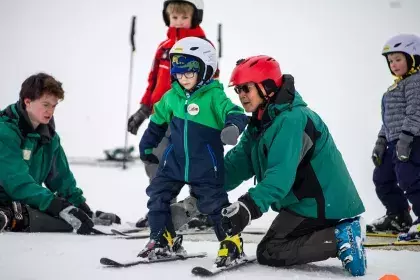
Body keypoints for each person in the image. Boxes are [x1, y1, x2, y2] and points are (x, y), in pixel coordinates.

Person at [218, 55, 367, 276]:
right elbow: (238, 163)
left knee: (271, 250)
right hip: (303, 203)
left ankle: (340, 237)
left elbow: (279, 176)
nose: (241, 96)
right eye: (238, 90)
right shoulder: (261, 122)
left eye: (246, 89)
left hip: (322, 203)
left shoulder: (292, 120)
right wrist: (207, 185)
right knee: (272, 246)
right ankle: (338, 234)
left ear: (266, 87)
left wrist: (248, 206)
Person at [137, 37, 248, 267]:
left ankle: (231, 242)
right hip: (174, 163)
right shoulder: (171, 97)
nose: (183, 78)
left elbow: (235, 112)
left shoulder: (214, 97)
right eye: (179, 73)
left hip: (205, 166)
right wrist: (147, 145)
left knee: (214, 206)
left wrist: (232, 127)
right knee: (158, 196)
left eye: (189, 72)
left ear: (205, 69)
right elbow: (157, 121)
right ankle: (162, 238)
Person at [126, 0, 214, 229]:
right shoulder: (164, 48)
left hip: (191, 118)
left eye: (184, 17)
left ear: (195, 17)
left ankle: (201, 210)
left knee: (196, 163)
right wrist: (143, 110)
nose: (178, 22)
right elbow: (153, 81)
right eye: (174, 17)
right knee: (155, 159)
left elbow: (211, 84)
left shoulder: (203, 46)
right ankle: (162, 208)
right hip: (162, 118)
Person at [0, 73, 120, 234]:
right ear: (27, 102)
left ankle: (18, 215)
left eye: (54, 106)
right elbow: (17, 182)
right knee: (62, 222)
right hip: (7, 199)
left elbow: (61, 178)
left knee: (68, 219)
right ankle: (8, 217)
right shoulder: (5, 132)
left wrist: (82, 209)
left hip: (24, 201)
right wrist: (57, 206)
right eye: (45, 104)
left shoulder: (49, 137)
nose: (50, 111)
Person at [369, 34, 420, 237]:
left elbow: (416, 111)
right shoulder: (395, 87)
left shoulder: (416, 83)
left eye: (398, 59)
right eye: (390, 61)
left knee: (411, 180)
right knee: (382, 178)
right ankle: (397, 217)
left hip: (412, 141)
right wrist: (381, 141)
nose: (394, 64)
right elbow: (388, 120)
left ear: (414, 58)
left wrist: (406, 138)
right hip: (394, 142)